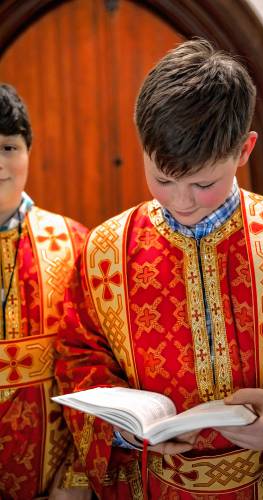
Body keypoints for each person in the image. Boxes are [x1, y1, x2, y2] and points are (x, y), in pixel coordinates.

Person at [55, 39, 263, 499]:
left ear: (245, 150)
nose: (182, 201)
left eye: (203, 183)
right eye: (163, 179)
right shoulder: (104, 250)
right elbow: (78, 361)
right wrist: (130, 433)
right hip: (151, 485)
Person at [0, 83, 93, 499]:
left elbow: (95, 373)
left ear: (28, 151)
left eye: (9, 147)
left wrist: (75, 478)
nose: (0, 163)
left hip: (54, 483)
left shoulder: (73, 244)